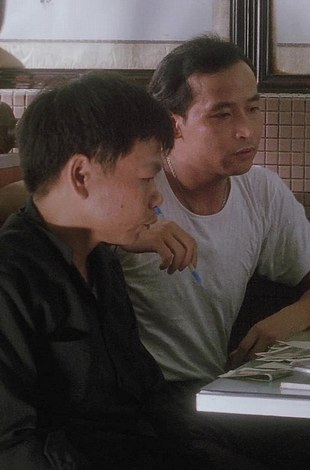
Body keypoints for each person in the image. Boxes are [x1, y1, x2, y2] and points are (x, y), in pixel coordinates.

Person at [115, 35, 310, 468]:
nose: (246, 129)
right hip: (140, 403)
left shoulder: (260, 191)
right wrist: (121, 232)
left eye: (253, 108)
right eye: (222, 114)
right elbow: (32, 204)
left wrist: (290, 318)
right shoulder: (132, 189)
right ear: (174, 124)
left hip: (216, 391)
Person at [0, 72, 190, 468]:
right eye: (146, 178)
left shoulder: (101, 262)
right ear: (81, 176)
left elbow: (147, 402)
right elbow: (14, 448)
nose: (157, 197)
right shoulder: (10, 281)